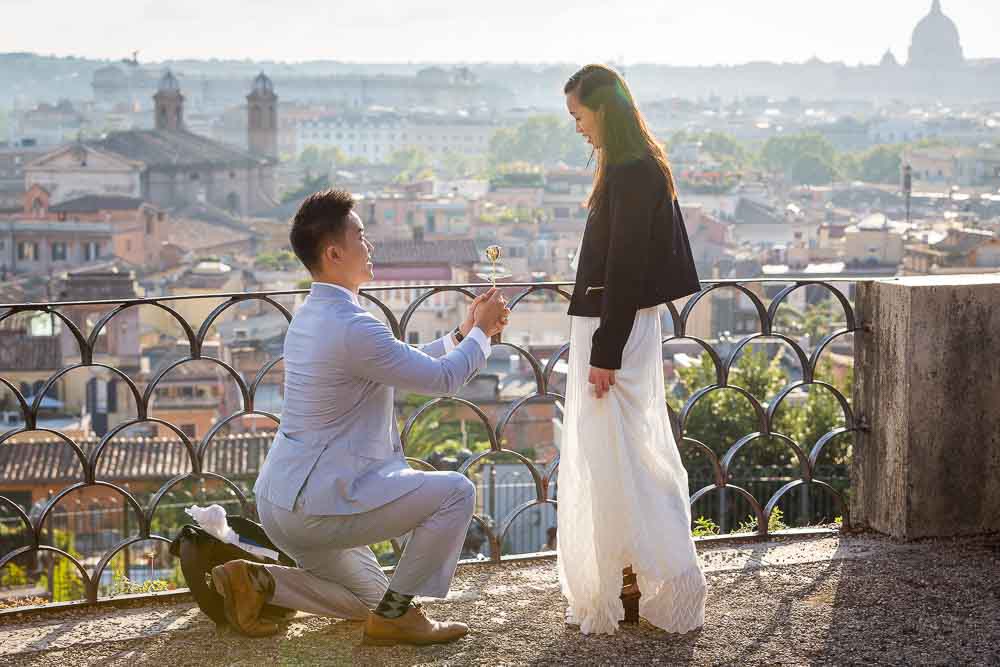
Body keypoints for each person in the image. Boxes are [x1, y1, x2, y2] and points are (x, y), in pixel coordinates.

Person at [210, 189, 510, 645]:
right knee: (455, 493)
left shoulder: (315, 314)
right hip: (320, 506)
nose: (369, 247)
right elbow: (444, 380)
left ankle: (258, 582)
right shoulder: (352, 325)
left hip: (281, 502)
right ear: (334, 252)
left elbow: (407, 361)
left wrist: (463, 334)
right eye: (361, 236)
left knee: (369, 602)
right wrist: (485, 333)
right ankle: (398, 618)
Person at [558, 64, 707, 635]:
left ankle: (643, 578)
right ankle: (631, 580)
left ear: (604, 110)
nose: (578, 128)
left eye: (579, 115)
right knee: (619, 456)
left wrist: (605, 350)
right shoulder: (634, 166)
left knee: (623, 458)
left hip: (611, 331)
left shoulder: (632, 170)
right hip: (613, 327)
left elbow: (623, 265)